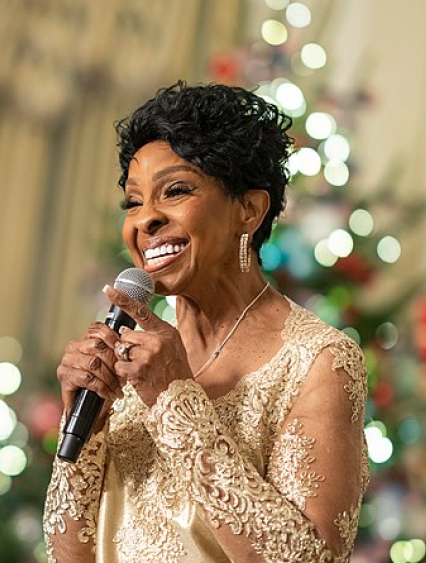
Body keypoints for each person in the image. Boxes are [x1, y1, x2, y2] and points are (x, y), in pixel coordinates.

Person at [42, 82, 368, 563]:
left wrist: (175, 399)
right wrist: (85, 428)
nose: (145, 220)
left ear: (249, 210)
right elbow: (70, 554)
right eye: (133, 202)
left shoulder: (319, 362)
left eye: (175, 191)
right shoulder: (126, 356)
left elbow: (307, 557)